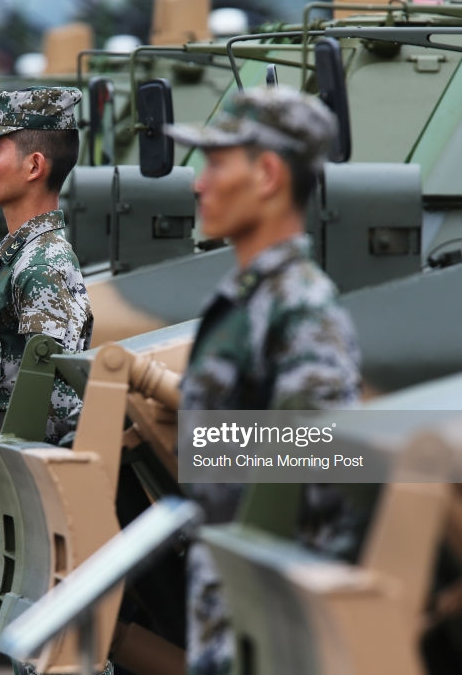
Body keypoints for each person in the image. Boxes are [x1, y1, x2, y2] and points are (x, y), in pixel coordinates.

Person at [164, 86, 362, 674]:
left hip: (264, 626)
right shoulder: (249, 299)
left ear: (269, 174)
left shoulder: (302, 309)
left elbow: (321, 463)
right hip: (227, 607)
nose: (200, 183)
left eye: (217, 163)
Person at [0, 86, 93, 562]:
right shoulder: (21, 260)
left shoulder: (42, 268)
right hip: (9, 486)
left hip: (30, 496)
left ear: (34, 166)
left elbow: (58, 407)